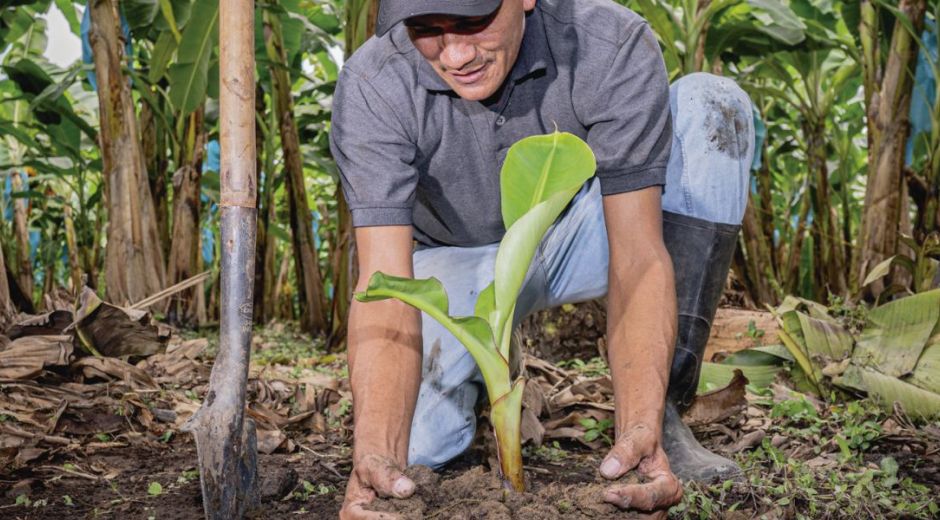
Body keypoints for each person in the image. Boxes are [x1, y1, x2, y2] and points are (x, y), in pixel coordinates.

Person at [329, 0, 754, 517]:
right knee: (414, 451)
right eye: (427, 30)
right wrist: (376, 454)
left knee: (713, 105)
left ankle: (658, 417)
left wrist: (639, 417)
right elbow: (385, 286)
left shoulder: (607, 42)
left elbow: (639, 254)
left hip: (583, 231)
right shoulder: (376, 81)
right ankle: (478, 386)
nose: (457, 54)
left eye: (473, 22)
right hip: (452, 268)